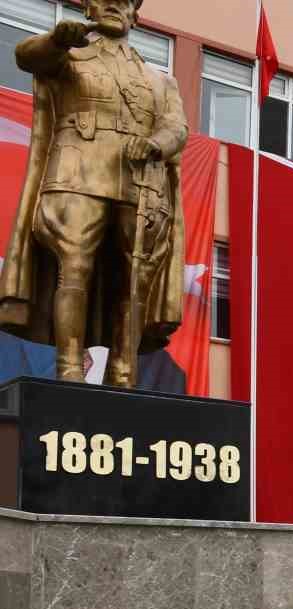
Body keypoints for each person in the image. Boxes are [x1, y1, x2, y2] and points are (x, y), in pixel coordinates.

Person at [0, 0, 189, 388]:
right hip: (76, 173)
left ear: (134, 14)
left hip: (140, 184)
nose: (114, 7)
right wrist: (57, 38)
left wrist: (156, 143)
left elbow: (177, 128)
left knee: (133, 281)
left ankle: (123, 373)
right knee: (74, 268)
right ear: (89, 6)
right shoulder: (68, 56)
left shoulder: (159, 81)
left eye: (123, 2)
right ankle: (69, 371)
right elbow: (26, 56)